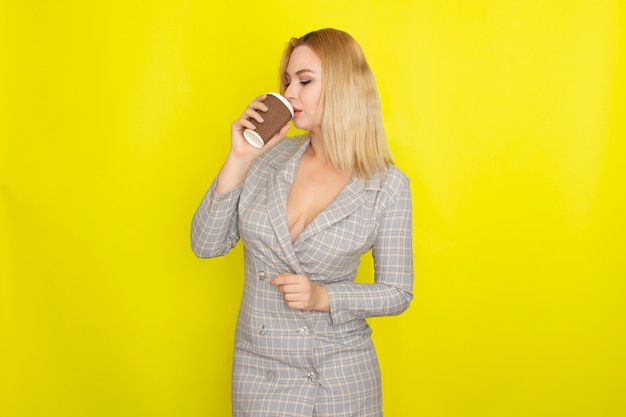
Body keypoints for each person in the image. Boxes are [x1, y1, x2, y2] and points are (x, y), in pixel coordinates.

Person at [191, 28, 413, 417]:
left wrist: (323, 297)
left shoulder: (388, 186)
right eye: (287, 80)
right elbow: (206, 245)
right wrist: (239, 157)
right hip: (263, 372)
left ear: (344, 85)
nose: (289, 93)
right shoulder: (266, 159)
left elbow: (397, 292)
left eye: (305, 81)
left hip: (342, 376)